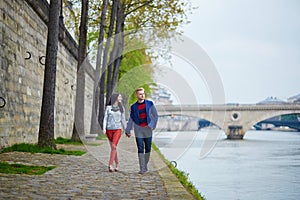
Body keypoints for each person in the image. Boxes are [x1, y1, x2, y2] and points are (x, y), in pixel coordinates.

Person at [125, 87, 158, 174]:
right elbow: (131, 119)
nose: (142, 95)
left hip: (148, 129)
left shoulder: (150, 103)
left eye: (143, 94)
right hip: (138, 130)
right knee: (140, 148)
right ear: (137, 95)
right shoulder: (133, 107)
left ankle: (145, 165)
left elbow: (155, 115)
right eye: (140, 94)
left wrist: (153, 125)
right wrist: (127, 130)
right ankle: (142, 168)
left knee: (148, 149)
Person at [103, 93, 126, 172]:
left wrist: (126, 129)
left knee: (113, 146)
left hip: (118, 129)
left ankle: (110, 164)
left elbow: (123, 119)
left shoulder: (121, 108)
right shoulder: (108, 108)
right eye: (120, 96)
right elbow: (105, 118)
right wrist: (104, 128)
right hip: (109, 129)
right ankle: (117, 164)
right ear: (115, 98)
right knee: (114, 147)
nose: (121, 98)